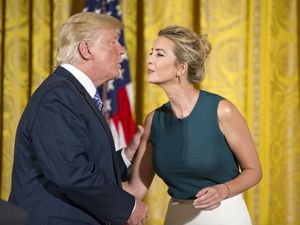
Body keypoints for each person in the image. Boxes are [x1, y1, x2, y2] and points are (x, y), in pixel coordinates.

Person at [9, 12, 147, 225]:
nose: (121, 50)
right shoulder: (57, 97)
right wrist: (127, 206)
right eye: (113, 42)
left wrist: (127, 155)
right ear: (86, 49)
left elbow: (84, 163)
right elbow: (70, 172)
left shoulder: (72, 93)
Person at [123, 25, 262, 225]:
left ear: (181, 67)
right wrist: (82, 178)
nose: (149, 60)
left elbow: (254, 171)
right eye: (151, 53)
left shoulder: (221, 110)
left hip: (225, 215)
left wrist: (223, 190)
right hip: (177, 218)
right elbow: (136, 189)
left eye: (160, 54)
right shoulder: (154, 120)